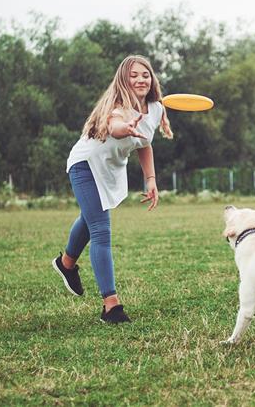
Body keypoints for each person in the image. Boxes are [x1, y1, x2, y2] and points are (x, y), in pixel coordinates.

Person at [52, 55, 173, 324]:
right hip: (85, 165)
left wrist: (151, 180)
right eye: (134, 75)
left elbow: (145, 144)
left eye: (145, 74)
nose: (140, 79)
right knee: (100, 228)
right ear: (123, 79)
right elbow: (114, 125)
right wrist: (124, 128)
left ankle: (66, 264)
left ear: (152, 79)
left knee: (90, 216)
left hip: (110, 169)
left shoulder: (154, 108)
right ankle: (111, 306)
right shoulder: (118, 106)